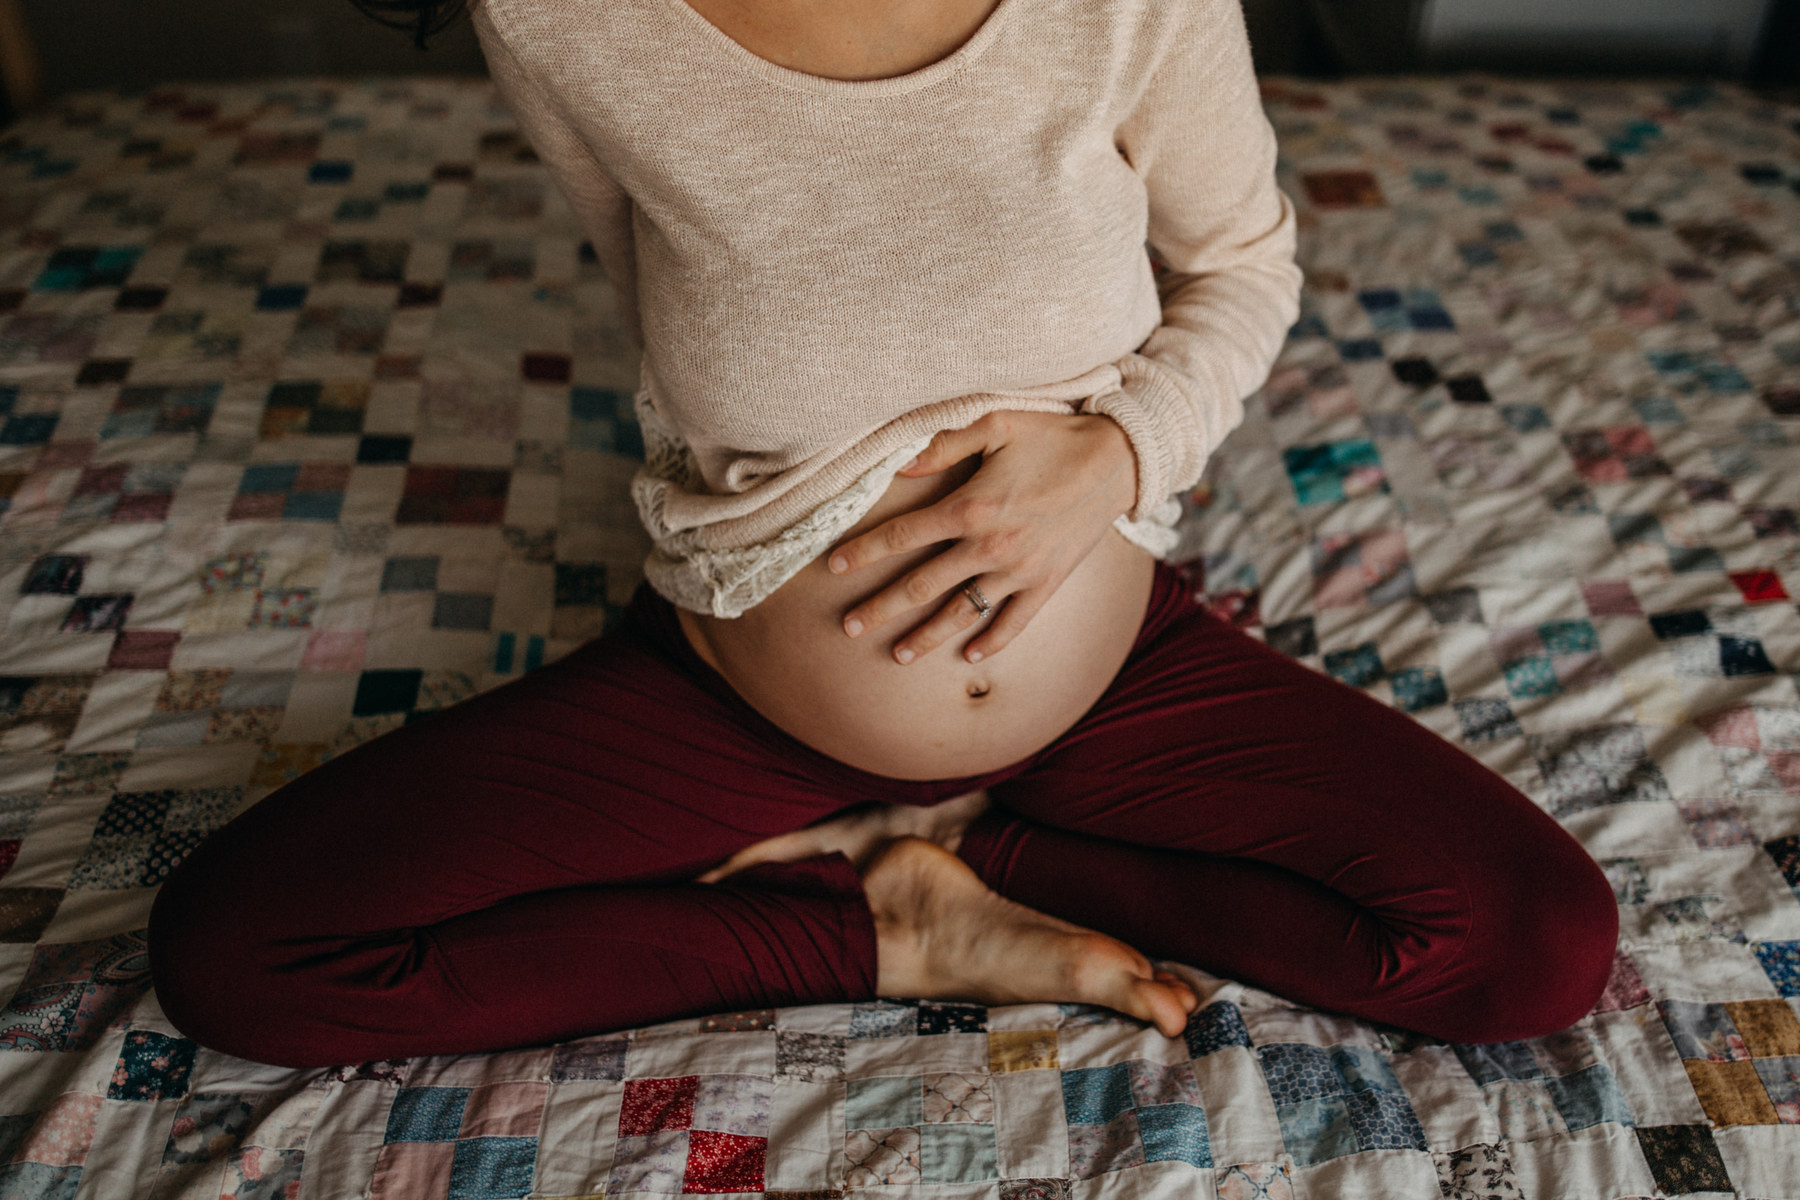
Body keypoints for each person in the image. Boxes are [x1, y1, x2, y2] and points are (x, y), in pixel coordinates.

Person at [146, 0, 1619, 1070]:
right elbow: (655, 314)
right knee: (243, 958)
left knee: (1537, 945)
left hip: (1107, 683)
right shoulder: (563, 16)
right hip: (743, 698)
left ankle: (1006, 852)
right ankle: (888, 929)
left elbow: (1245, 264)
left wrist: (1114, 454)